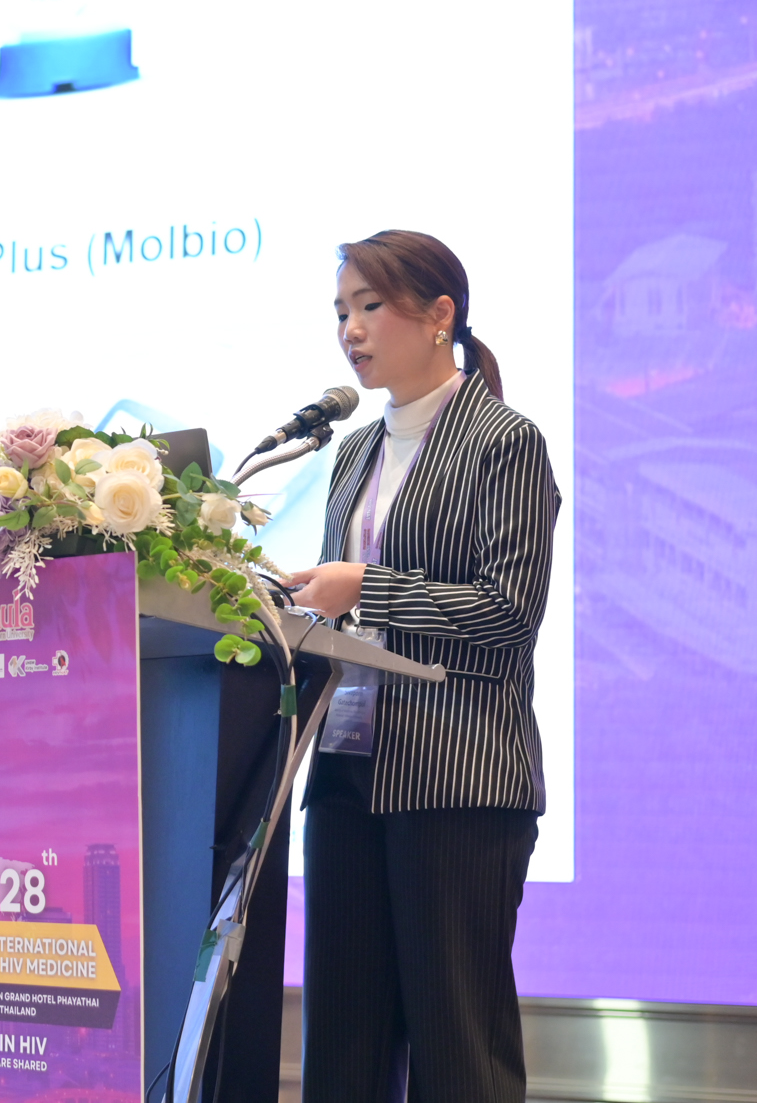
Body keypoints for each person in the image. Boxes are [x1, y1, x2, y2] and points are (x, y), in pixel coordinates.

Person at [283, 230, 561, 1103]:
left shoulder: (504, 441)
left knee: (456, 1044)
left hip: (457, 776)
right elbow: (341, 612)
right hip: (347, 768)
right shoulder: (352, 452)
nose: (351, 330)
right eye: (341, 311)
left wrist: (366, 586)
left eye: (370, 306)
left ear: (441, 314)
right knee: (344, 1045)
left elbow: (508, 613)